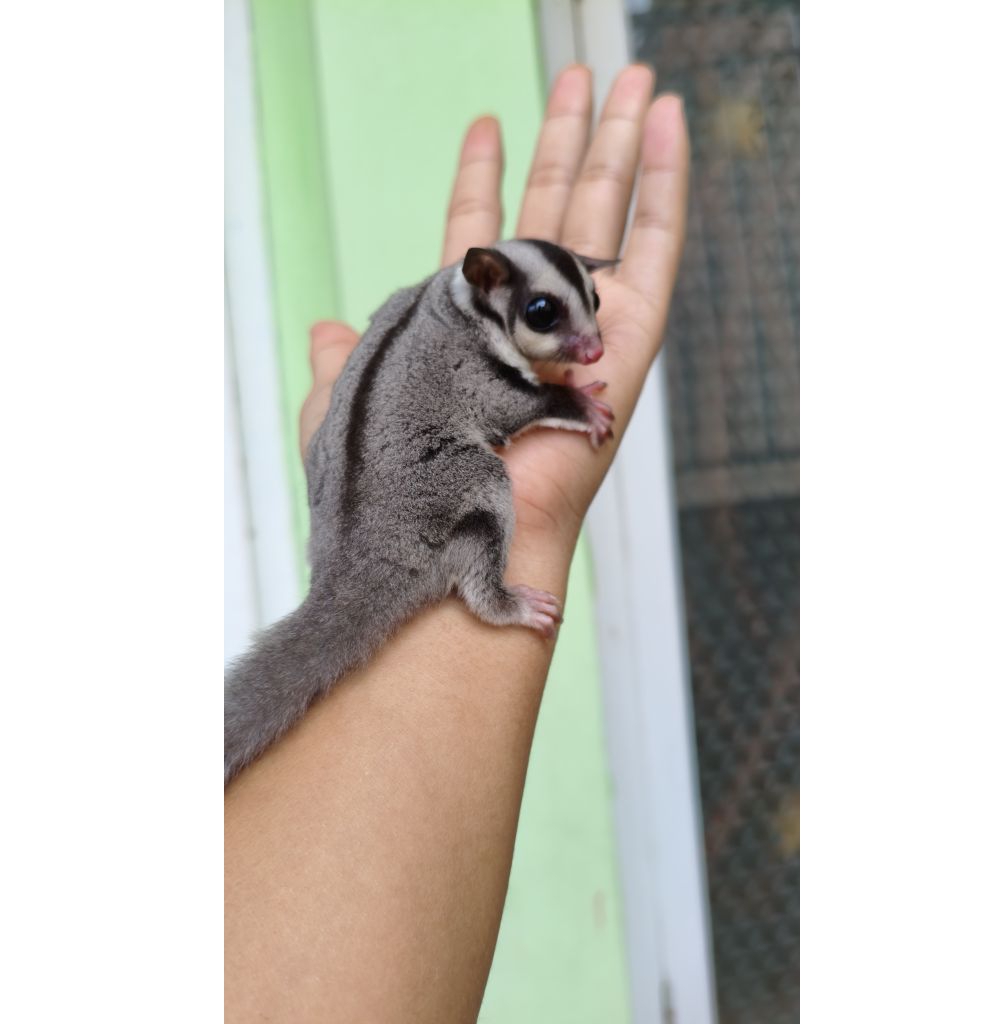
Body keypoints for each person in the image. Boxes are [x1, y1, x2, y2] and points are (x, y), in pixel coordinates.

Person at [225, 63, 689, 1022]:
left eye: (585, 311)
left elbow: (525, 365)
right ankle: (487, 596)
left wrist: (563, 367)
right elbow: (498, 403)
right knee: (483, 479)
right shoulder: (465, 340)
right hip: (403, 505)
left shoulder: (461, 303)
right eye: (549, 319)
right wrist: (561, 400)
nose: (586, 341)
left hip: (355, 501)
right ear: (487, 291)